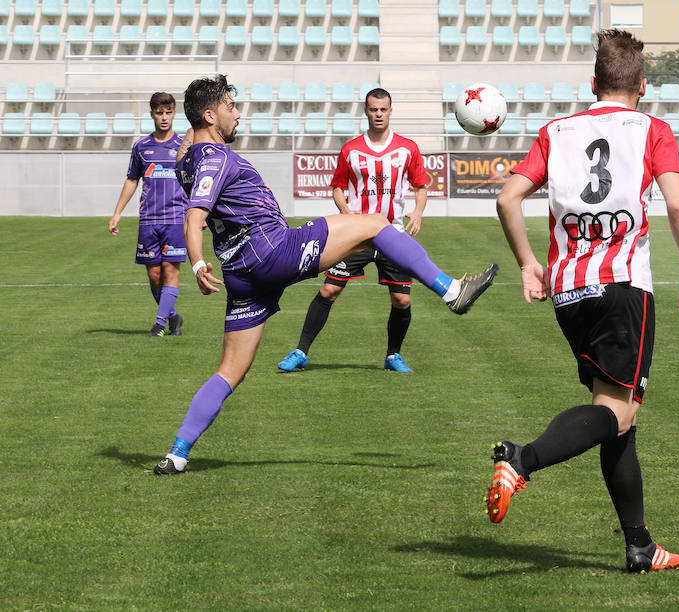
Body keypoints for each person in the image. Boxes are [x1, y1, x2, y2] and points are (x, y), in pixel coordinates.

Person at [153, 75, 498, 475]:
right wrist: (195, 264)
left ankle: (177, 454)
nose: (238, 113)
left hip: (241, 273)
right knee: (372, 223)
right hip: (272, 251)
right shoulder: (215, 158)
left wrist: (196, 118)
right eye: (231, 106)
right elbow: (194, 217)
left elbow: (186, 148)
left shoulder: (187, 161)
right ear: (211, 115)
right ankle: (451, 290)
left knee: (229, 371)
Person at [485, 29, 679, 574]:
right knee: (616, 410)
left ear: (593, 82)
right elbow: (678, 207)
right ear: (643, 85)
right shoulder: (652, 129)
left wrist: (526, 264)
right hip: (623, 287)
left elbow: (507, 197)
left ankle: (639, 545)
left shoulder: (557, 130)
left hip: (569, 291)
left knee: (618, 415)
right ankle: (523, 459)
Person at [277, 89, 428, 374]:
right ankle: (300, 352)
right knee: (329, 289)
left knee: (402, 299)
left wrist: (417, 212)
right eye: (373, 109)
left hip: (392, 235)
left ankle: (393, 356)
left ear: (391, 111)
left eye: (383, 109)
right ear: (366, 111)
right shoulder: (351, 150)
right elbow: (338, 188)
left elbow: (420, 187)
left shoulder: (408, 148)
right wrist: (347, 215)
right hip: (357, 237)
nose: (379, 114)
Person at [108, 92, 188, 337]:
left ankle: (159, 324)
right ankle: (173, 317)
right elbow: (132, 180)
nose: (164, 118)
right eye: (159, 113)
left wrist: (199, 214)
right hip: (149, 220)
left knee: (170, 272)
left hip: (176, 218)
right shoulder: (142, 147)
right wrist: (117, 212)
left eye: (168, 112)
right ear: (152, 114)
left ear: (175, 113)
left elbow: (194, 182)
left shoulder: (184, 147)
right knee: (154, 276)